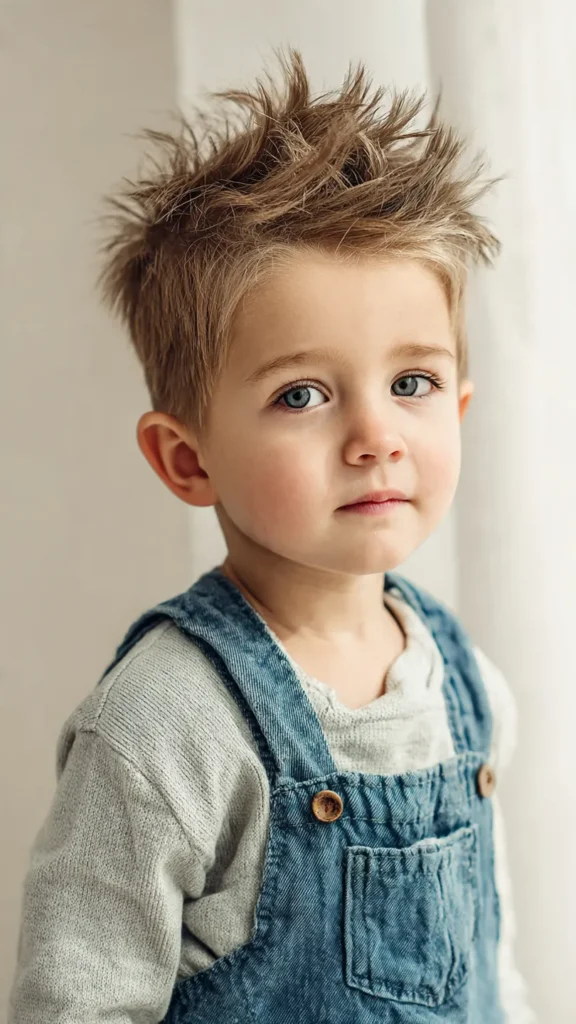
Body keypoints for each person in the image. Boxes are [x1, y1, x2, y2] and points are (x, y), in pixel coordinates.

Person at [8, 49, 536, 1023]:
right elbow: (74, 1001)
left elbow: (491, 963)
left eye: (411, 383)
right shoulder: (164, 727)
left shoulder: (468, 690)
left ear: (459, 406)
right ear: (188, 459)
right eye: (303, 394)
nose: (376, 436)